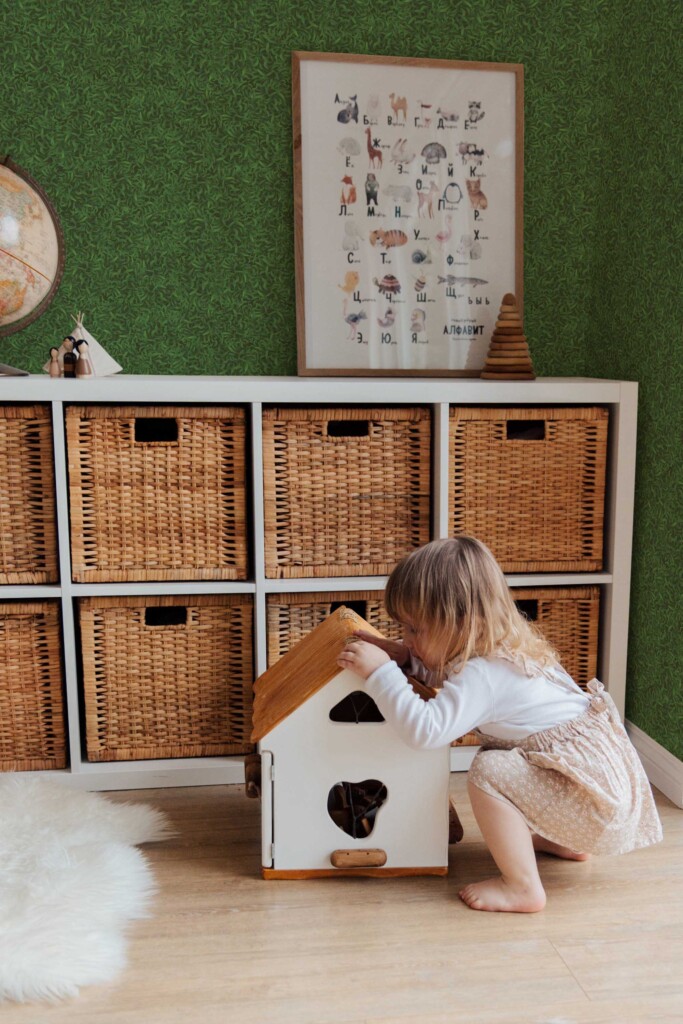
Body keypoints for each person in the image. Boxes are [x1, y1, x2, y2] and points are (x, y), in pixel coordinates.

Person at [336, 536, 662, 914]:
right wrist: (409, 662)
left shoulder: (483, 675)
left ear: (461, 623)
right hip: (598, 795)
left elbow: (425, 730)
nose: (405, 638)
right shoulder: (505, 646)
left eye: (415, 630)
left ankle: (523, 888)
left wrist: (381, 675)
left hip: (592, 807)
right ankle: (566, 841)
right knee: (505, 761)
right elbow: (454, 676)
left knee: (489, 769)